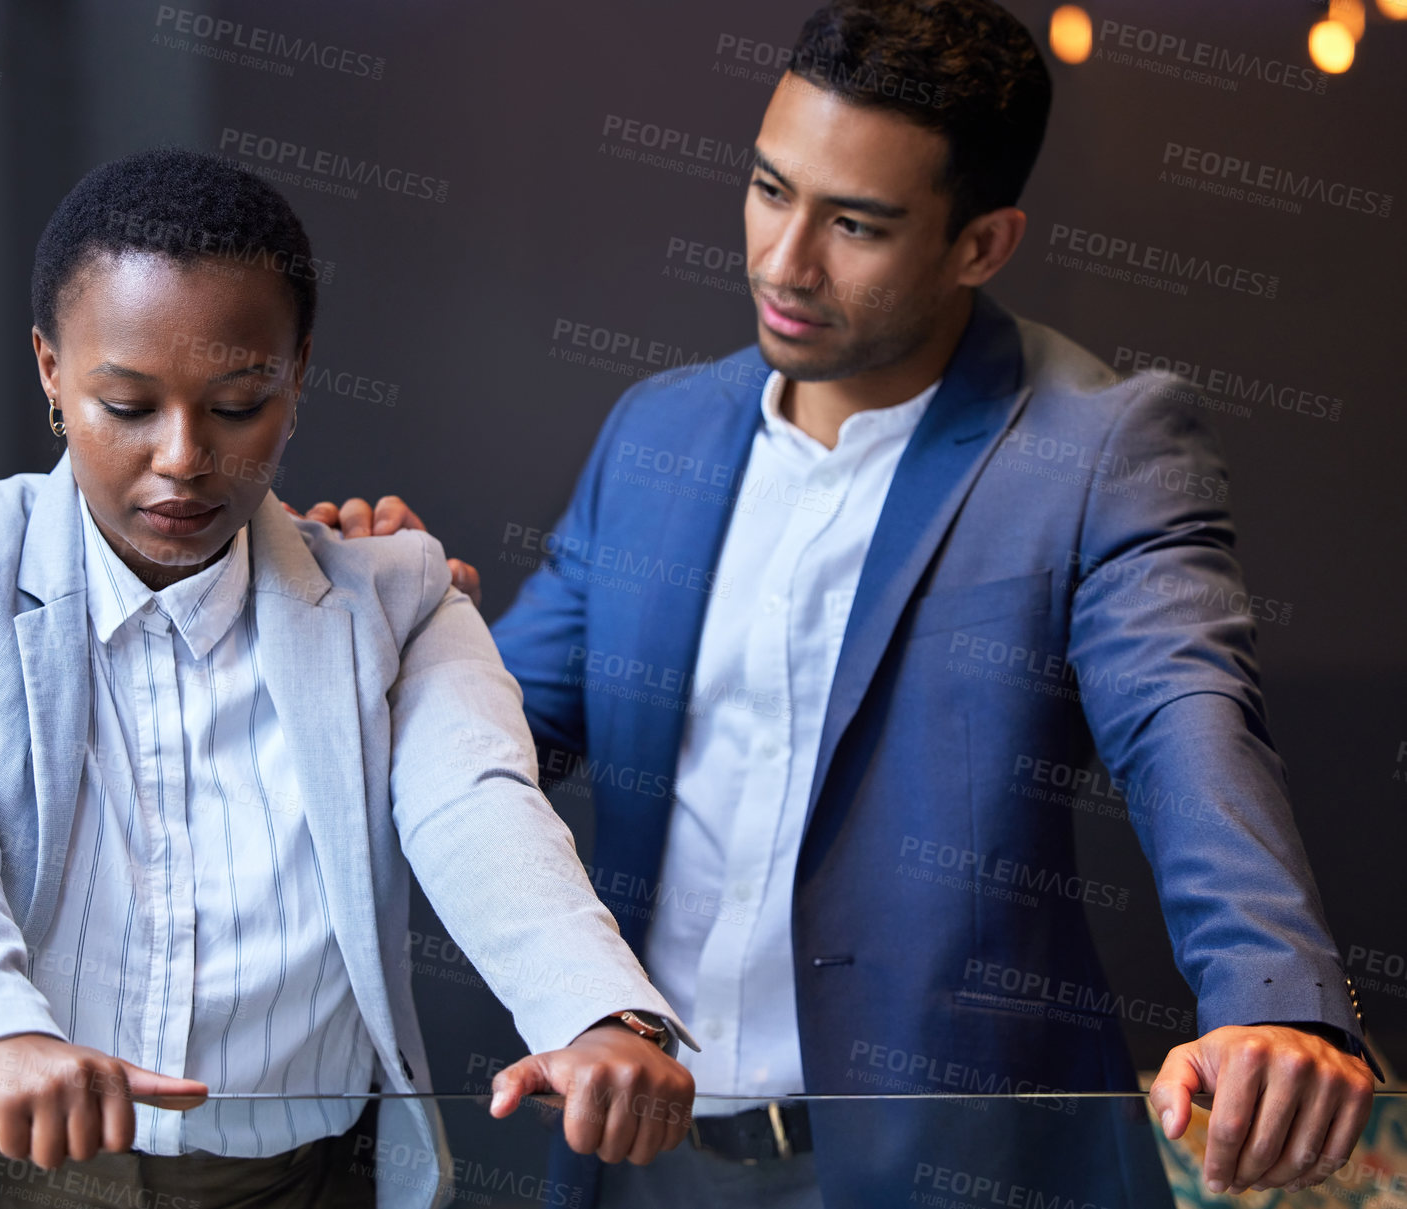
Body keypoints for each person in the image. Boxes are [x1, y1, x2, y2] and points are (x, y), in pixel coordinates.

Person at [302, 2, 1380, 1206]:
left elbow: (1190, 723)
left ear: (981, 244)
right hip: (643, 1168)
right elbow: (500, 737)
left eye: (854, 225)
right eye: (770, 190)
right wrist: (375, 629)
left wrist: (1279, 1005)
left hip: (961, 1177)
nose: (782, 260)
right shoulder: (658, 432)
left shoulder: (1097, 447)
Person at [0, 148, 697, 1209]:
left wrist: (595, 1013)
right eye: (127, 405)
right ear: (49, 369)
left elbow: (479, 806)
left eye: (237, 404)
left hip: (295, 1187)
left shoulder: (395, 593)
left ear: (298, 375)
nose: (183, 458)